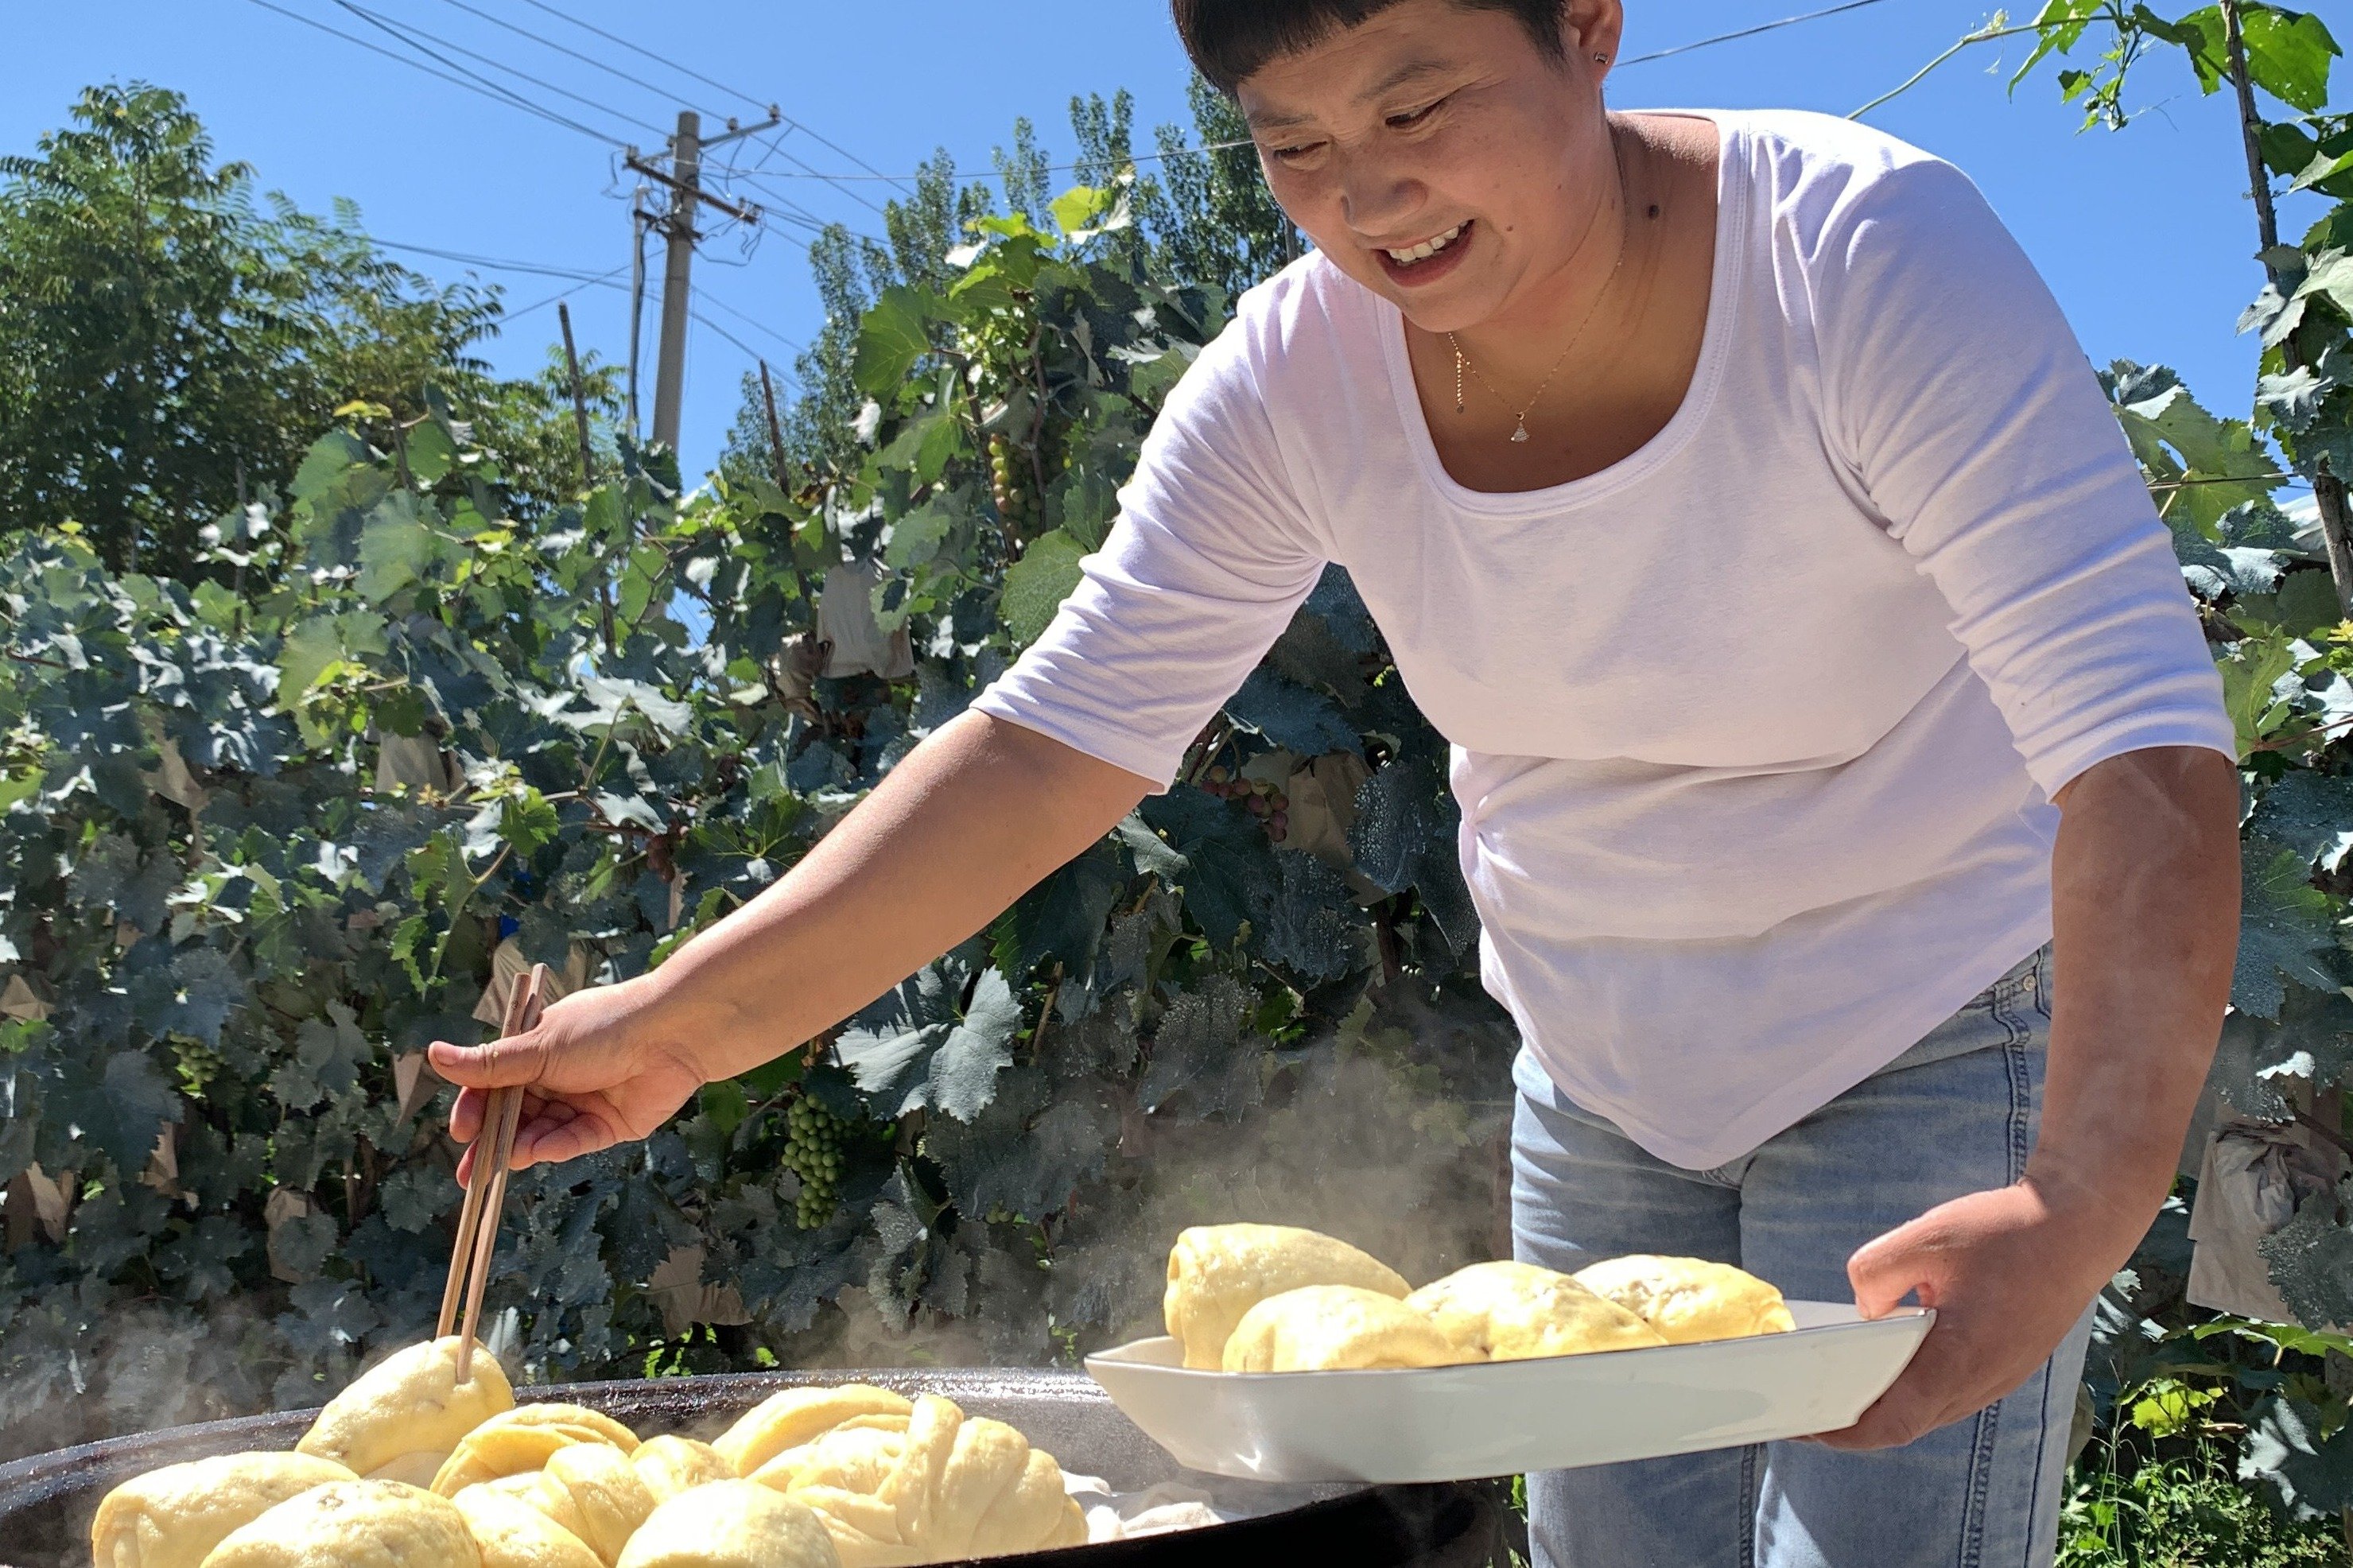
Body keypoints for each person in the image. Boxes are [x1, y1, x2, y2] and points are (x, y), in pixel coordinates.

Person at [430, 2, 2242, 1563]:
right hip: (1606, 1082)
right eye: (1290, 142)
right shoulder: (1296, 380)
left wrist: (2077, 1190)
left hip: (1928, 1026)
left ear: (1586, 22)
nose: (1365, 196)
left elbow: (2136, 740)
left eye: (1415, 104)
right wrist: (679, 1023)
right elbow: (1057, 740)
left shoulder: (1854, 255)